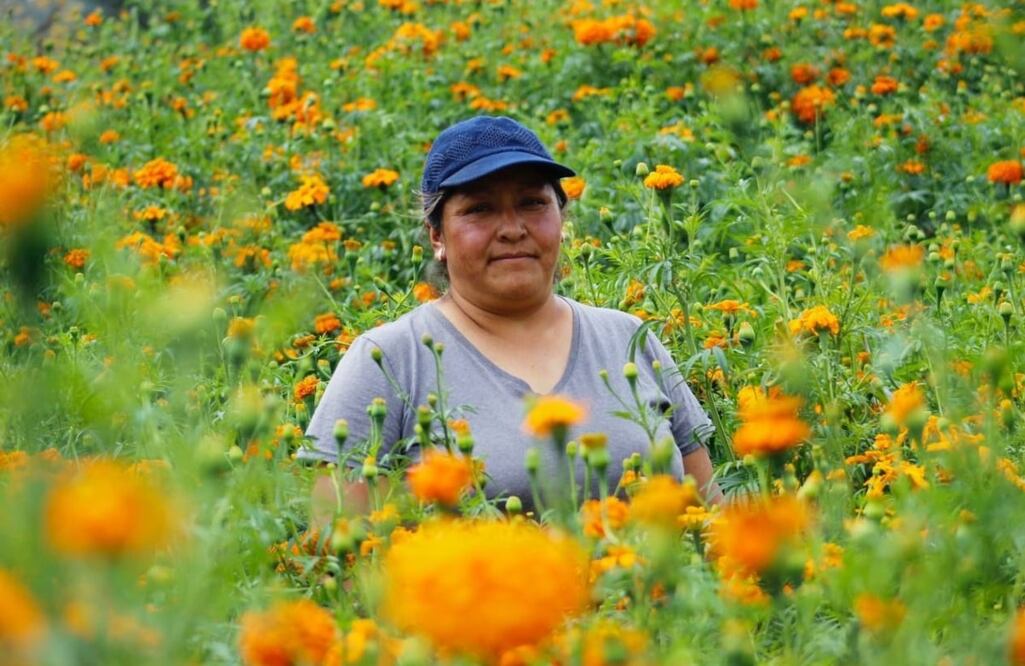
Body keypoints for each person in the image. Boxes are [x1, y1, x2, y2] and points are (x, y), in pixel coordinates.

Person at [301, 115, 722, 510]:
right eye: (479, 209)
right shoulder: (389, 361)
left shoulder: (629, 339)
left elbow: (711, 517)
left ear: (561, 219)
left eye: (532, 203)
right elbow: (337, 549)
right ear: (437, 236)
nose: (512, 228)